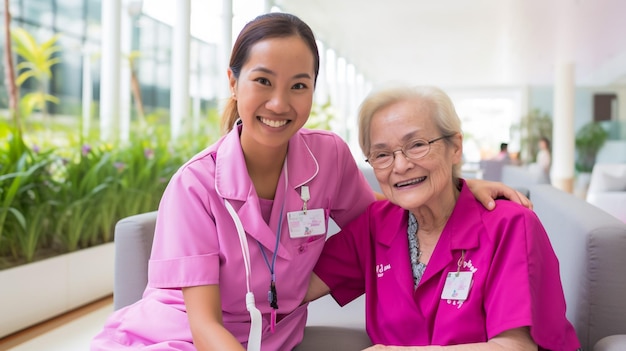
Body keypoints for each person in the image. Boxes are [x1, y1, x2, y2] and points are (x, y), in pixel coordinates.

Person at [91, 13, 531, 351]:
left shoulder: (328, 158)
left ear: (313, 90)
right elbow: (204, 325)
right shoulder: (195, 187)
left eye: (298, 85)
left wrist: (454, 188)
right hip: (186, 338)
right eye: (262, 80)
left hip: (272, 339)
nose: (279, 102)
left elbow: (389, 215)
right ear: (233, 82)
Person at [305, 85, 580, 350]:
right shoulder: (375, 225)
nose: (400, 165)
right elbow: (287, 292)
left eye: (417, 145)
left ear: (455, 147)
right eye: (382, 154)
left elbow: (514, 347)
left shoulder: (510, 226)